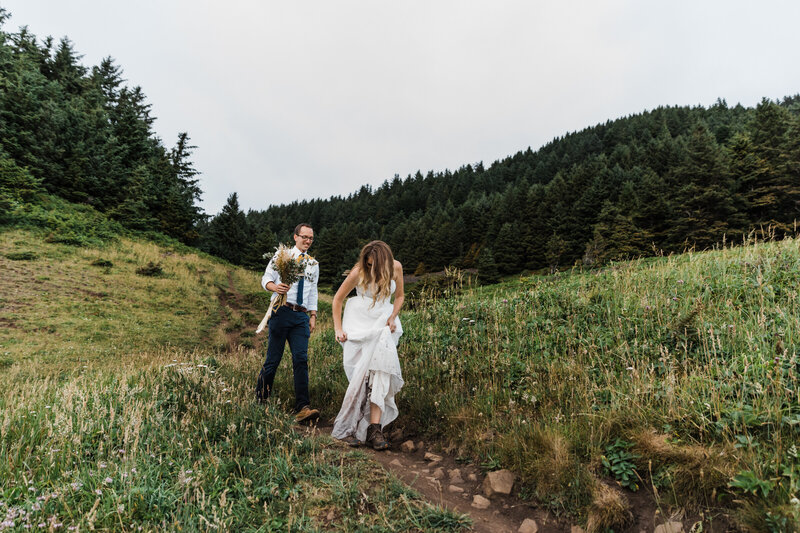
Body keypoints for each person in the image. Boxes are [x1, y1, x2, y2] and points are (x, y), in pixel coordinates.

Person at [331, 240, 405, 450]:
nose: (372, 269)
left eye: (375, 265)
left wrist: (393, 316)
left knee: (380, 372)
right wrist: (338, 329)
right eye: (369, 264)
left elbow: (399, 296)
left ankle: (375, 429)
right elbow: (337, 299)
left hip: (383, 323)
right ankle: (349, 427)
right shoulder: (358, 271)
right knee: (360, 376)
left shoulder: (396, 267)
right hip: (358, 323)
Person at [256, 223, 320, 424]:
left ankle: (303, 407)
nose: (307, 241)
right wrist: (275, 286)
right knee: (273, 360)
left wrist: (312, 315)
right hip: (281, 311)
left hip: (301, 316)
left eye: (310, 238)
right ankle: (260, 402)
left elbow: (313, 290)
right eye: (304, 237)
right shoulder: (282, 256)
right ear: (295, 237)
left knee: (300, 359)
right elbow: (265, 278)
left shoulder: (313, 264)